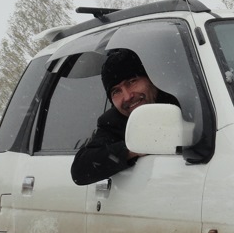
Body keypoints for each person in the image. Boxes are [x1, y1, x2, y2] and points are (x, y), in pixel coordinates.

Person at [70, 48, 176, 185]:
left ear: (151, 79)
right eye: (116, 91)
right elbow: (81, 171)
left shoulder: (188, 102)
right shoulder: (114, 123)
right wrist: (132, 148)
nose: (127, 96)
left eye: (132, 81)